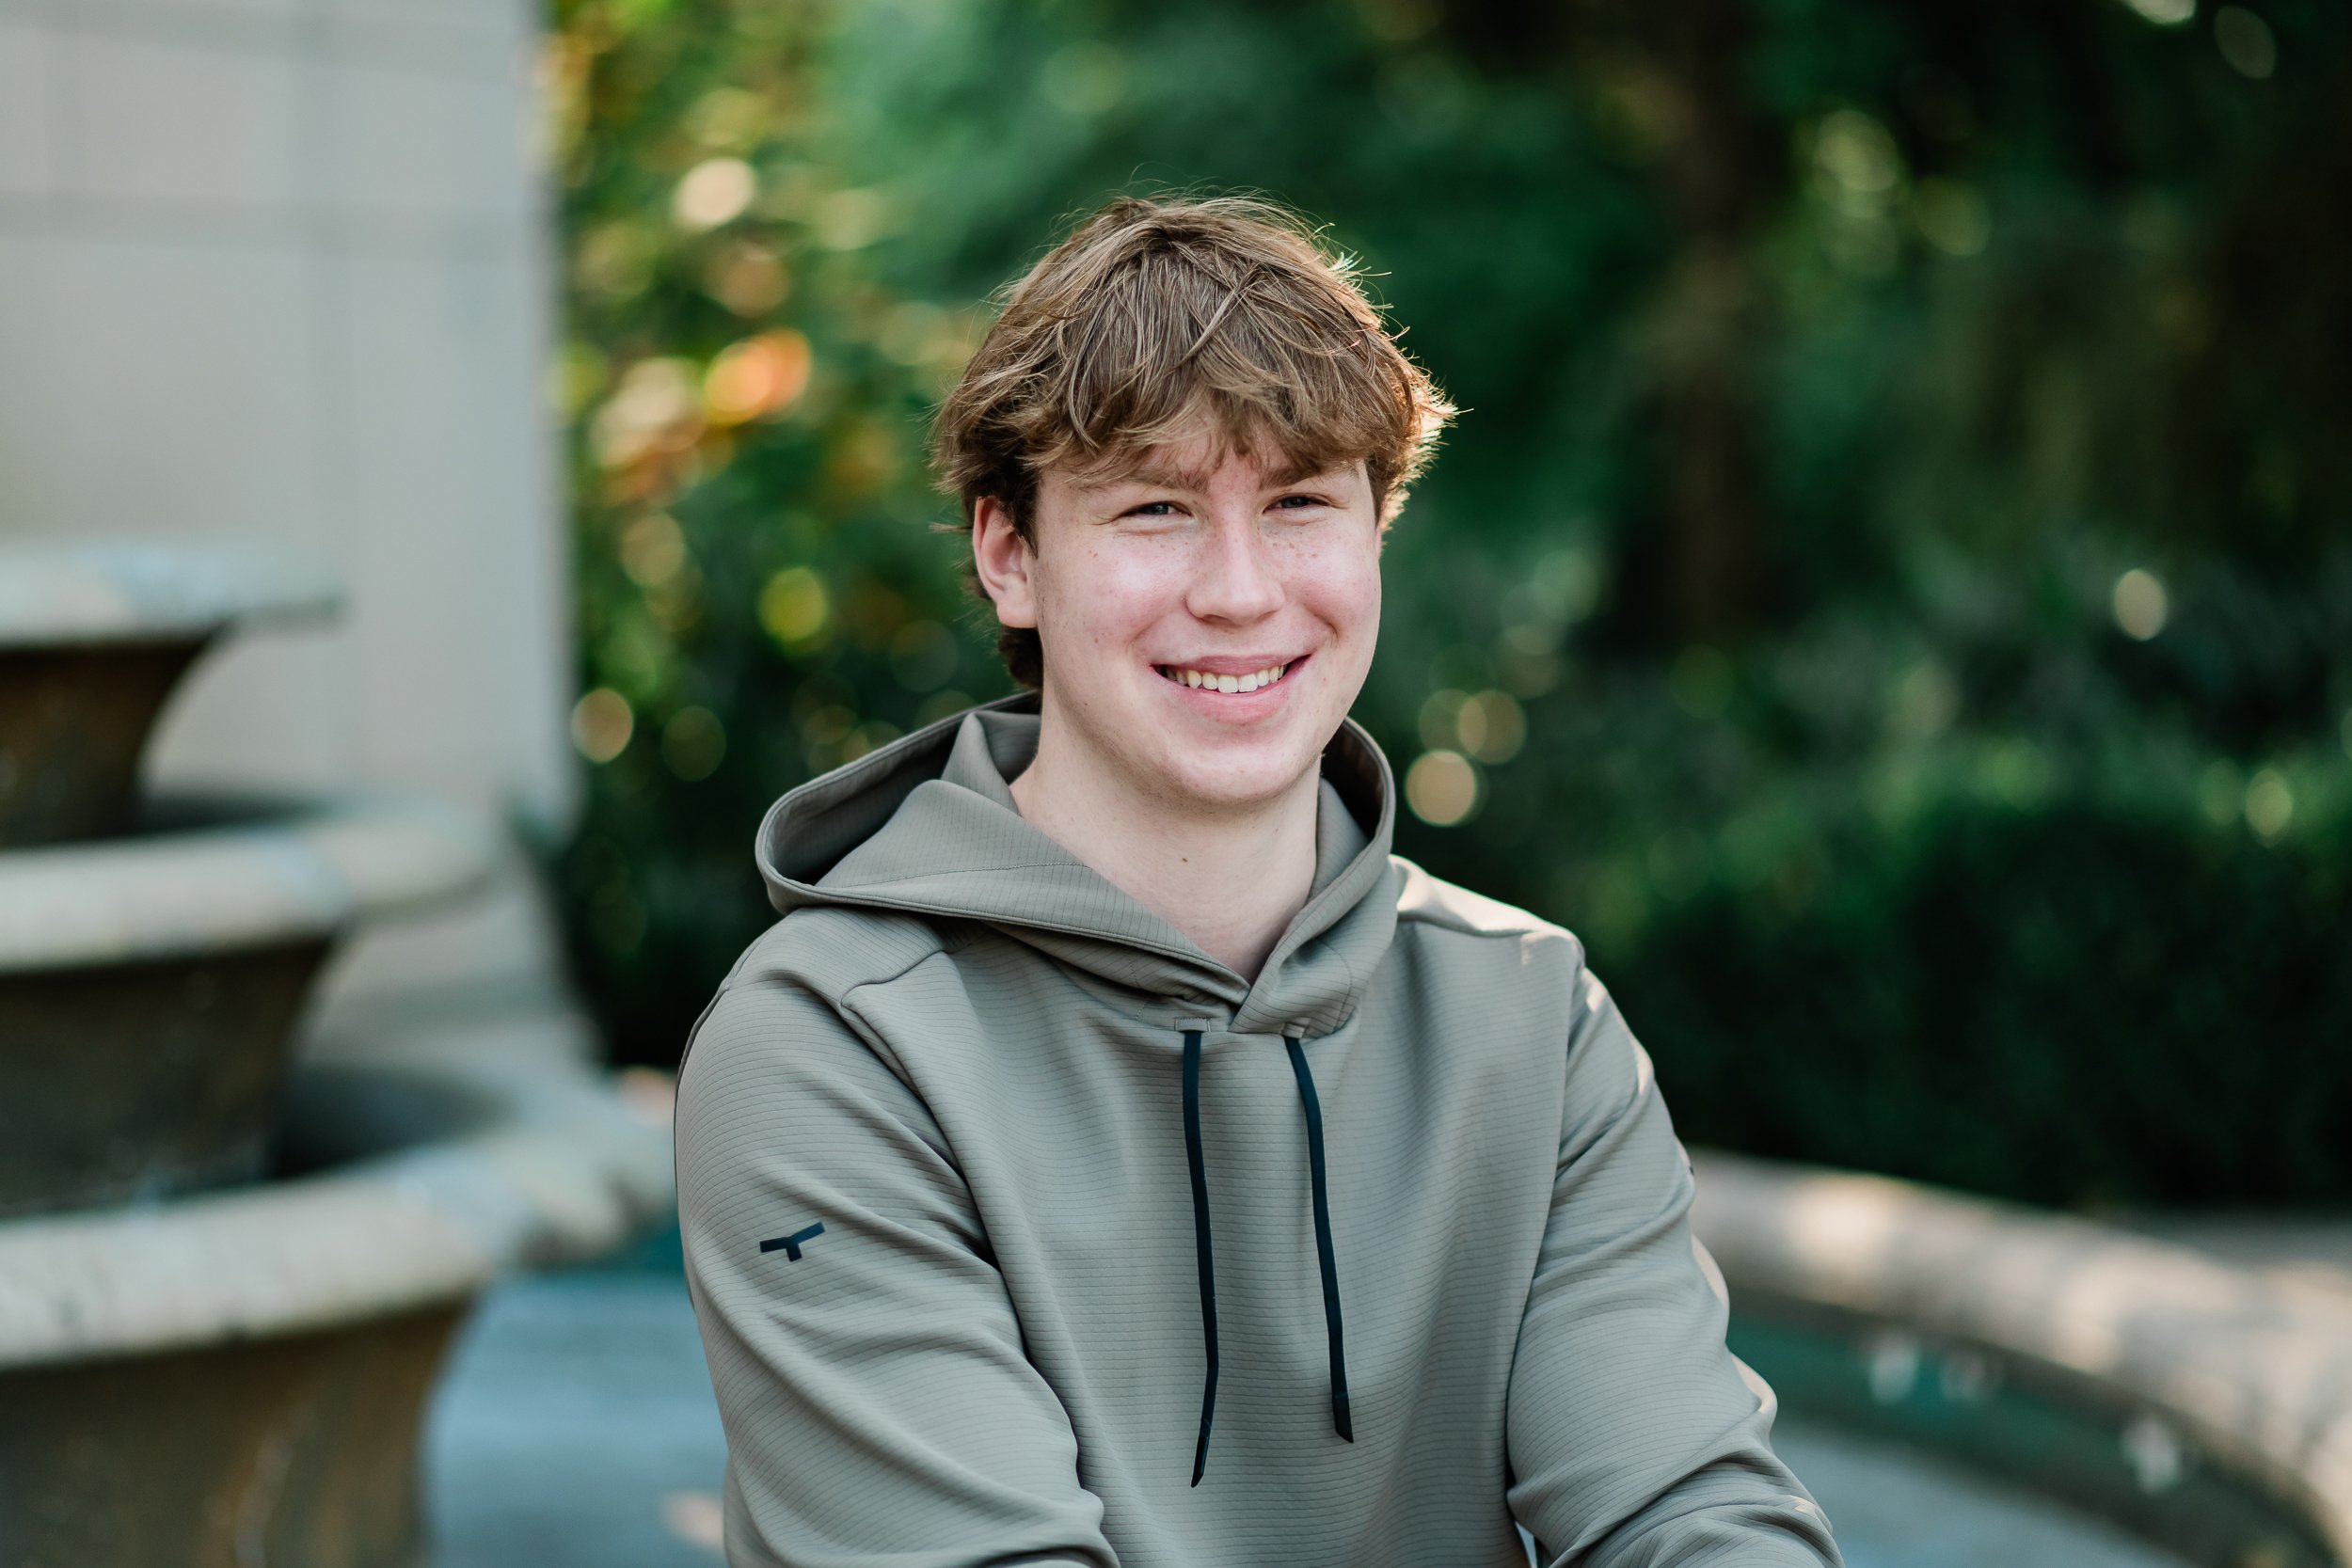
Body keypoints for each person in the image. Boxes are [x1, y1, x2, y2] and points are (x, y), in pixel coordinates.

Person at [675, 195, 1840, 1568]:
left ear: (1375, 532)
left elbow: (1691, 1515)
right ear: (1010, 556)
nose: (1239, 593)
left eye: (1297, 504)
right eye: (1157, 509)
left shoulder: (1533, 1020)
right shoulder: (829, 1051)